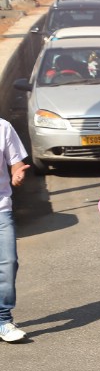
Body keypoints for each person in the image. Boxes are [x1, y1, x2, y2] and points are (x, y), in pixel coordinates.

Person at [0, 119, 27, 343]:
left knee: (9, 262)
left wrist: (17, 175)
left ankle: (3, 320)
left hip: (1, 209)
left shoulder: (3, 127)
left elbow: (16, 164)